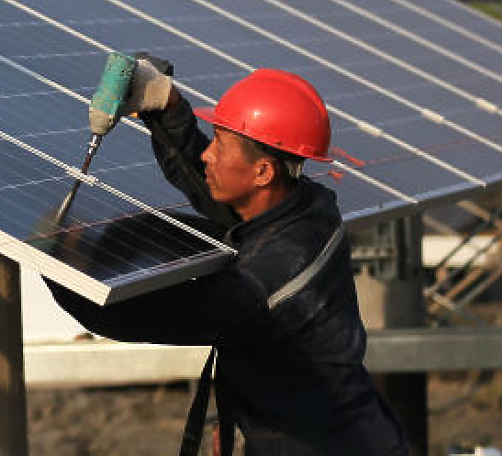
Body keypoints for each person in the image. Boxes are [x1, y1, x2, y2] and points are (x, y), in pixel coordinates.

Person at [50, 59, 407, 456]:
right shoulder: (308, 210)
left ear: (264, 173)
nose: (208, 155)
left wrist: (57, 262)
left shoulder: (262, 282)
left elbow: (138, 315)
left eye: (220, 144)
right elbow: (214, 191)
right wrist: (168, 110)